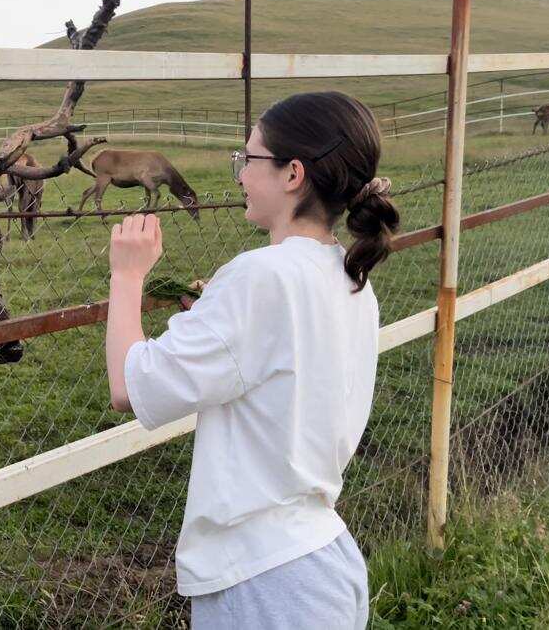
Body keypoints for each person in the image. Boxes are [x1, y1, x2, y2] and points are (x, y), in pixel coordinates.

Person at [104, 91, 401, 628]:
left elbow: (130, 386)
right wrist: (214, 317)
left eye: (249, 159)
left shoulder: (260, 276)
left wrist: (126, 276)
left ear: (293, 174)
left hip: (265, 583)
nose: (240, 173)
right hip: (321, 560)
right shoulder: (350, 277)